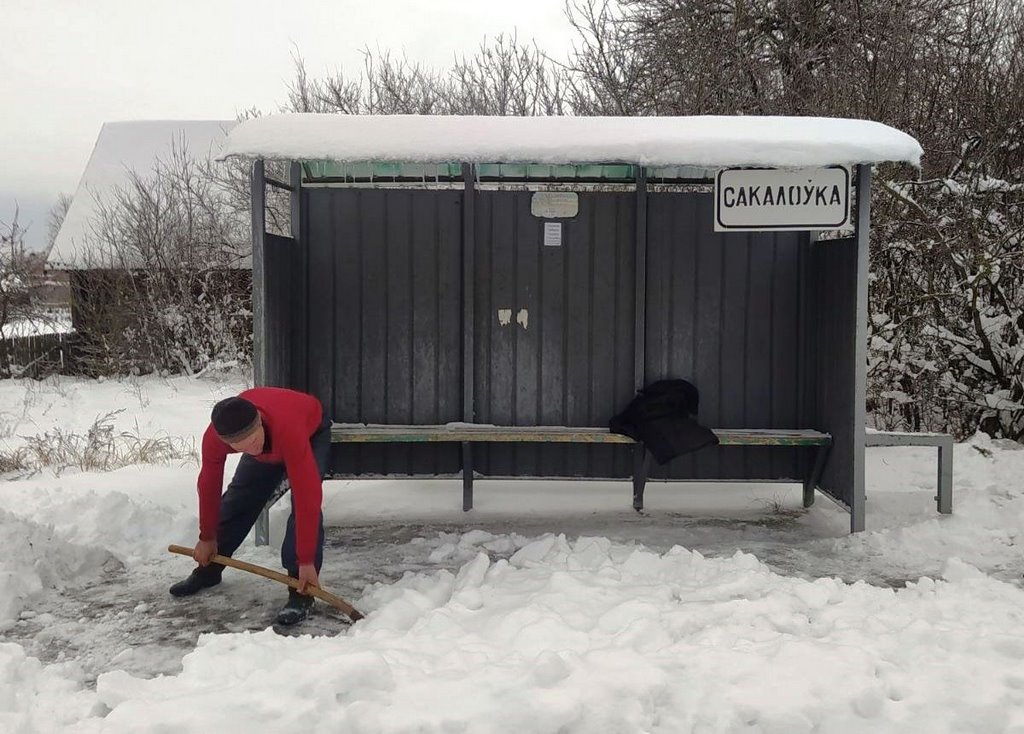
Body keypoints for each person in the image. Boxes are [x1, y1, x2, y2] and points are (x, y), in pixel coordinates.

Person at [169, 387, 331, 626]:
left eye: (254, 441)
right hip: (271, 436)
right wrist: (207, 537)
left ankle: (301, 589)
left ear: (260, 423)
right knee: (239, 498)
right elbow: (209, 485)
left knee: (302, 507)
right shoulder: (216, 437)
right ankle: (209, 570)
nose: (252, 450)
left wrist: (306, 561)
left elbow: (307, 498)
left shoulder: (289, 430)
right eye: (241, 448)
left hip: (308, 433)